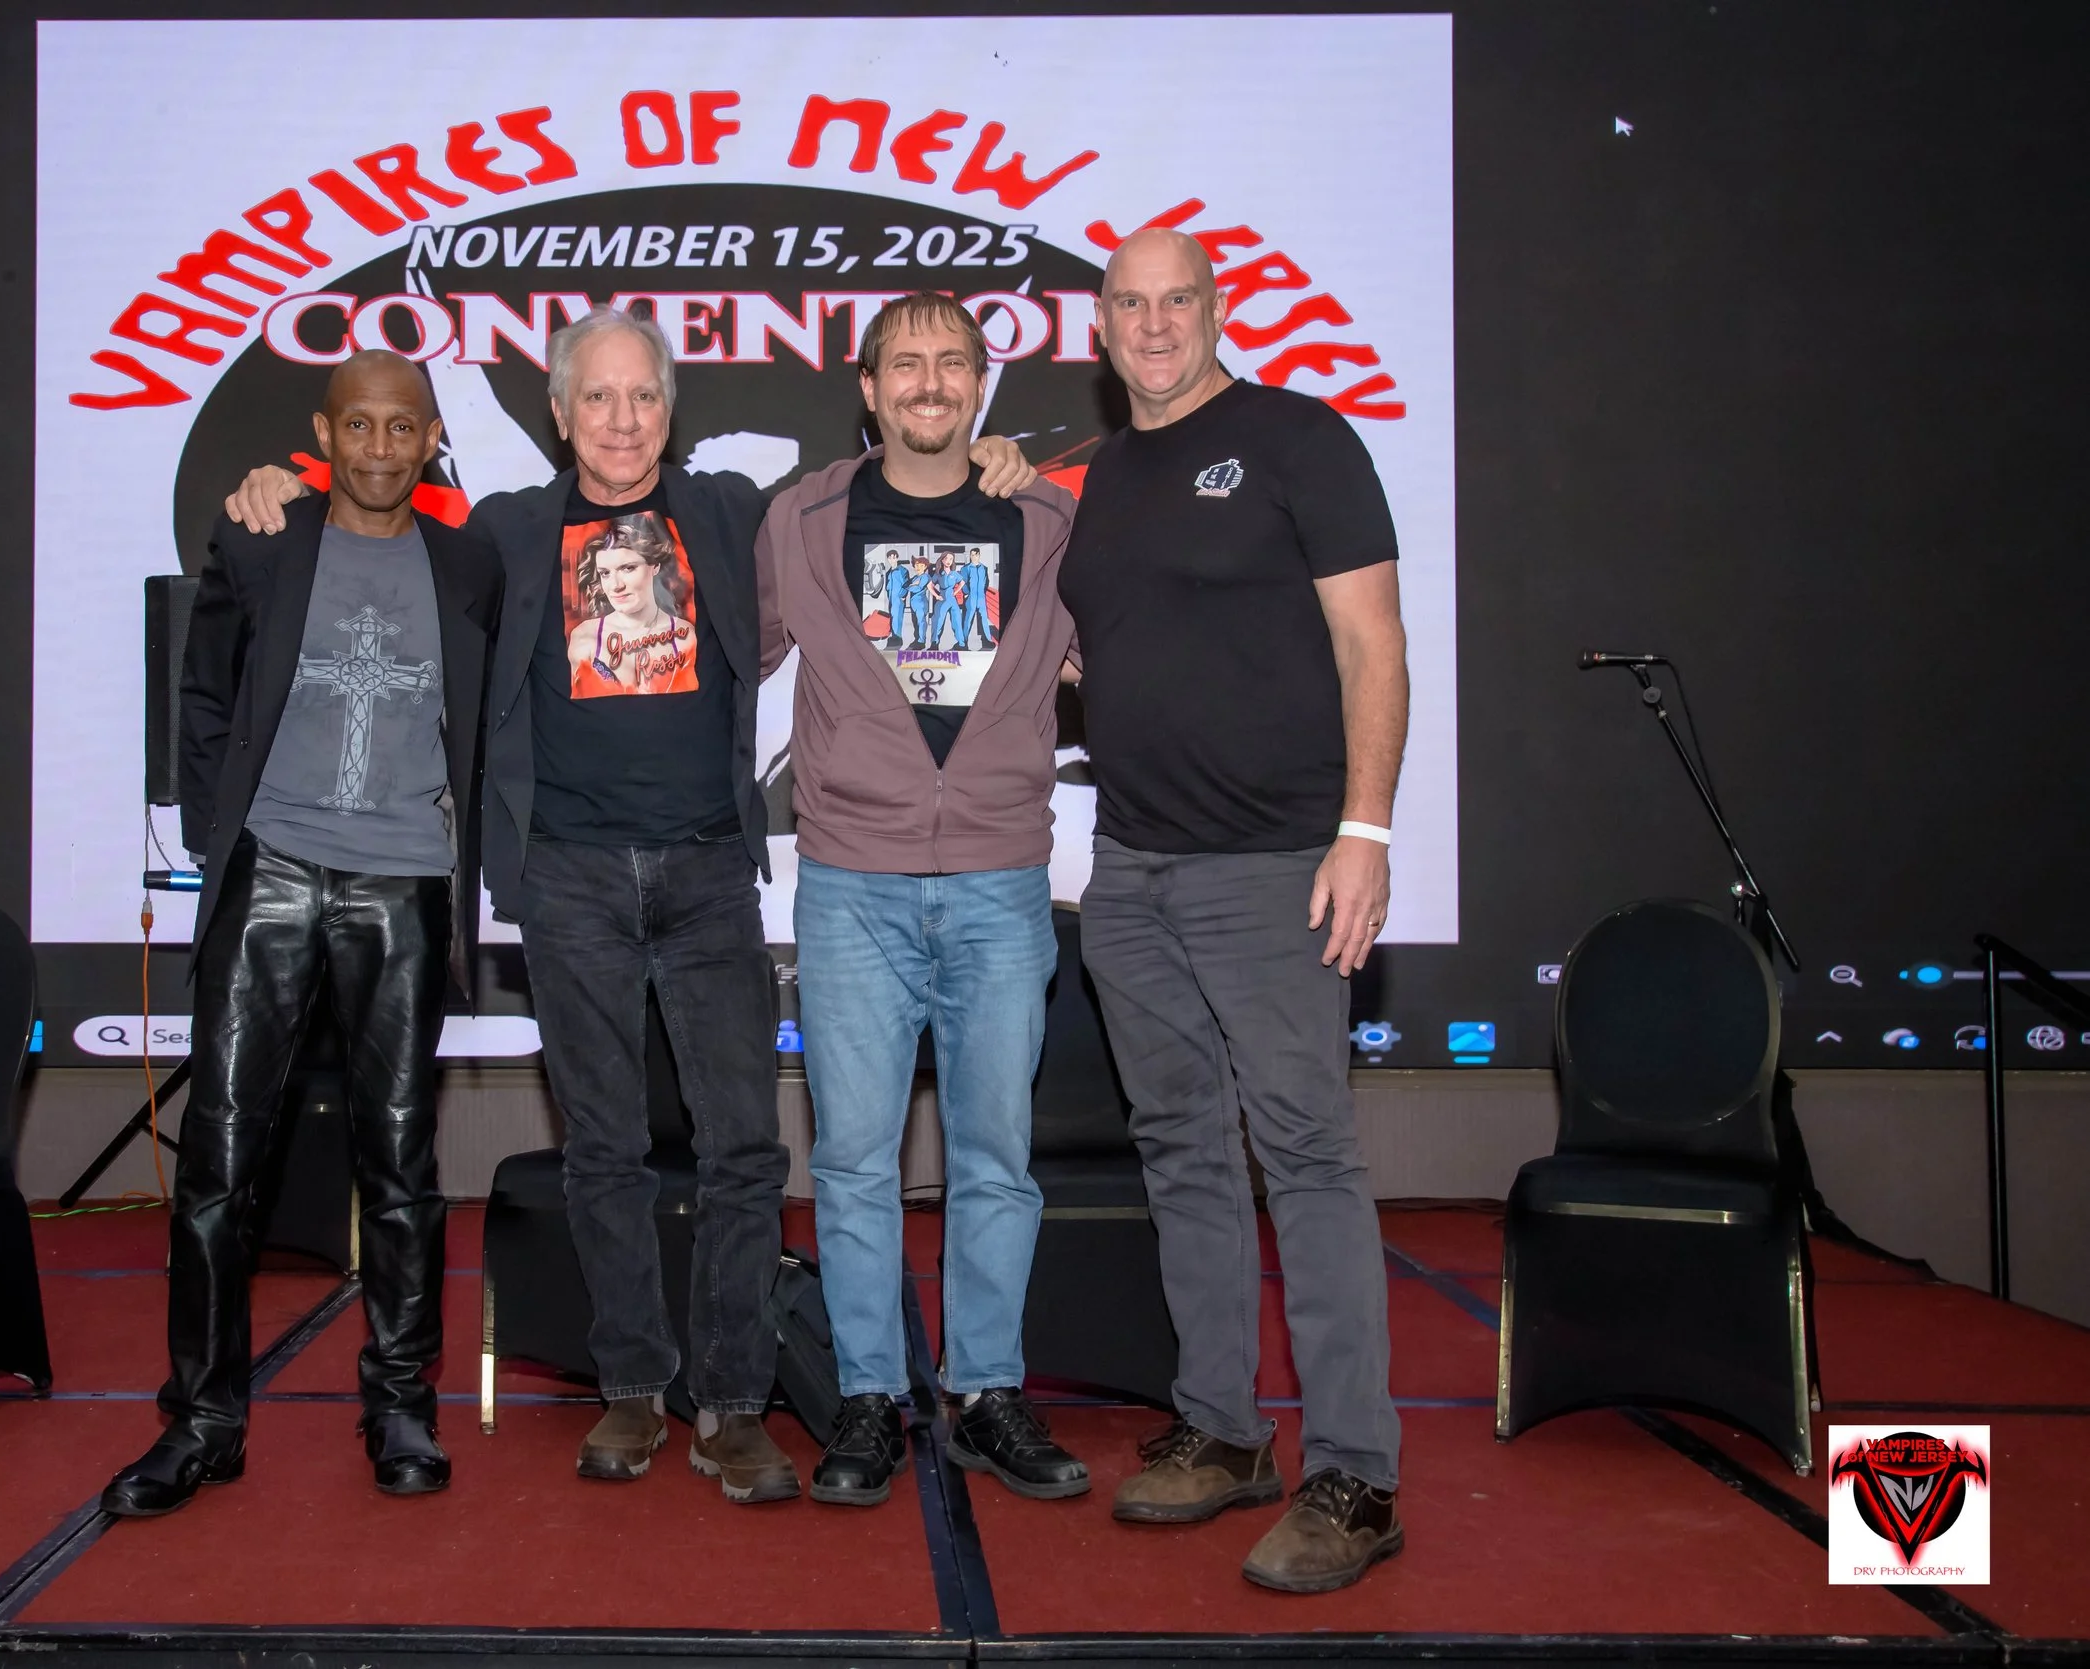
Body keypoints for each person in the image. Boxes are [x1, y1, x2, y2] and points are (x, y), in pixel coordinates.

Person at [221, 311, 1038, 1504]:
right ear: (558, 415)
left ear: (670, 410)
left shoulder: (730, 514)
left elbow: (886, 485)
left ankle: (731, 1400)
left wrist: (1000, 455)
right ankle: (630, 1390)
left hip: (709, 872)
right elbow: (372, 513)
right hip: (568, 879)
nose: (618, 421)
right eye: (594, 400)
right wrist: (274, 487)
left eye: (640, 398)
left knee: (744, 1150)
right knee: (601, 1149)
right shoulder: (502, 533)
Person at [1060, 229, 1411, 1593]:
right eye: (1130, 305)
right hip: (1134, 867)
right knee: (1182, 1154)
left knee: (1308, 1158)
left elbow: (1370, 642)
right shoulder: (1100, 481)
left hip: (1275, 864)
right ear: (1101, 328)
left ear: (1218, 309)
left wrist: (1364, 832)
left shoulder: (1296, 438)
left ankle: (1357, 1476)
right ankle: (1221, 1430)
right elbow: (1112, 654)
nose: (1154, 325)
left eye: (1177, 301)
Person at [101, 349, 502, 1517]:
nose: (380, 449)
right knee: (220, 1161)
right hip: (269, 869)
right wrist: (211, 827)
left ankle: (399, 1401)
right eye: (360, 426)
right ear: (323, 435)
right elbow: (208, 687)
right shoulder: (263, 540)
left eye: (403, 429)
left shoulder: (471, 563)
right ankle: (205, 1421)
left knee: (398, 1162)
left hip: (404, 883)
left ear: (432, 440)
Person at [758, 293, 1088, 1508]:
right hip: (851, 882)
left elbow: (1125, 656)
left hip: (1003, 882)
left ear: (982, 383)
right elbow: (705, 650)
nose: (930, 382)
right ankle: (865, 1396)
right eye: (907, 362)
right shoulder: (799, 518)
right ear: (868, 384)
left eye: (953, 361)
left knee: (996, 1158)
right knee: (850, 1161)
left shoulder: (1047, 516)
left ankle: (986, 1389)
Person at [567, 515, 700, 696]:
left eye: (628, 568)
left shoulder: (684, 637)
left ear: (654, 566)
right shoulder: (584, 638)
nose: (616, 585)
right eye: (605, 573)